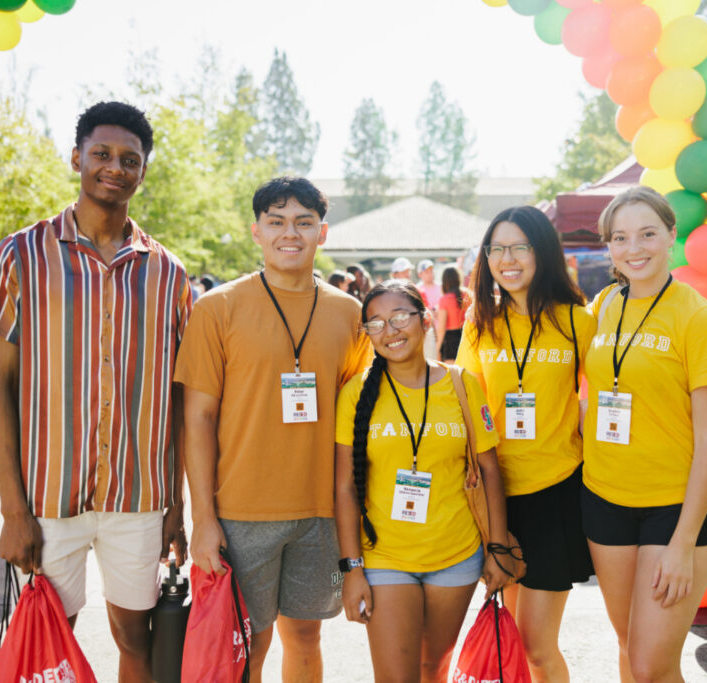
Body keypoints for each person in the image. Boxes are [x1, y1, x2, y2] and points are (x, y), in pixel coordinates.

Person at [0, 101, 191, 682]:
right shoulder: (22, 254)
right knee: (49, 643)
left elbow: (177, 399)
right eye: (101, 154)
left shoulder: (168, 272)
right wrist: (13, 510)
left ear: (143, 171)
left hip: (138, 498)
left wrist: (177, 504)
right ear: (76, 157)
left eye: (130, 158)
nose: (114, 167)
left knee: (137, 640)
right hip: (47, 501)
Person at [177, 176, 372, 683]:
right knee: (249, 641)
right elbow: (196, 418)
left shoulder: (348, 313)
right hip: (241, 510)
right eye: (277, 222)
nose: (291, 233)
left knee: (306, 637)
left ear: (322, 233)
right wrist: (203, 518)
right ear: (256, 232)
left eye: (304, 222)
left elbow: (360, 418)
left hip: (320, 509)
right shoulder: (218, 308)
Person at [584, 187, 707, 682]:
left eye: (648, 233)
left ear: (672, 235)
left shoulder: (699, 318)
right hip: (606, 497)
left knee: (652, 665)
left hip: (675, 508)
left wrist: (683, 543)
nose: (634, 248)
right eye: (620, 237)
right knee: (630, 646)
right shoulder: (605, 304)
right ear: (608, 246)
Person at [335, 280, 513, 682]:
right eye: (376, 324)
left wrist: (498, 549)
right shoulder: (356, 393)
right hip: (385, 558)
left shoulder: (461, 384)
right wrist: (352, 570)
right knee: (397, 676)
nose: (390, 330)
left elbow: (489, 469)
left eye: (400, 317)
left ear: (426, 319)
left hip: (456, 556)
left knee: (433, 669)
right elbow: (344, 488)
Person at [455, 206, 595, 682]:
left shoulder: (577, 320)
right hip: (496, 496)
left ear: (543, 251)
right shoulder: (480, 324)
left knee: (537, 644)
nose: (506, 258)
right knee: (510, 633)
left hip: (556, 492)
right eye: (496, 248)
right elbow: (465, 403)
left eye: (519, 247)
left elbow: (602, 396)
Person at [435, 266, 472, 363]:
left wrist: (437, 348)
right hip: (468, 335)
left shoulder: (445, 299)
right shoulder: (468, 294)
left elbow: (441, 329)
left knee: (452, 373)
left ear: (444, 282)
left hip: (451, 340)